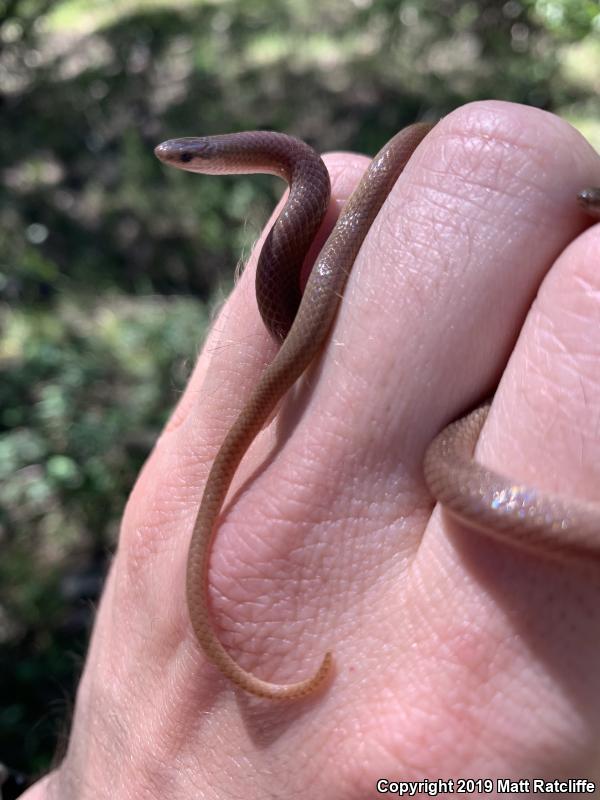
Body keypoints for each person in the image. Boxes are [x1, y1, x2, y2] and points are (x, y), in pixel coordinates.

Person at [23, 101, 600, 799]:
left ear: (216, 156)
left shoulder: (306, 183)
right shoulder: (301, 196)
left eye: (185, 158)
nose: (176, 163)